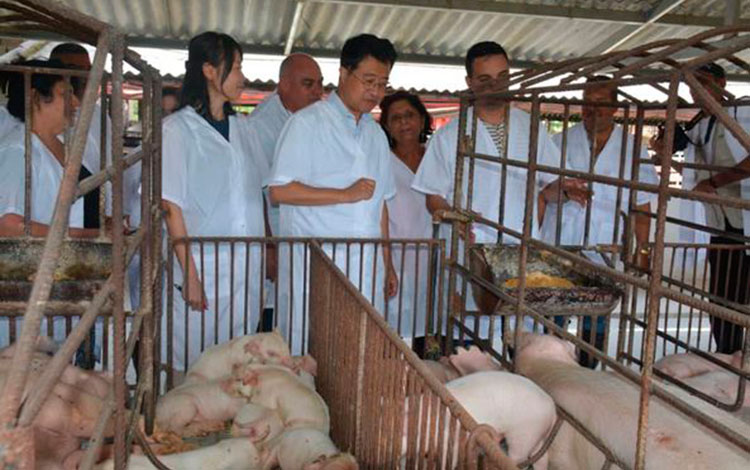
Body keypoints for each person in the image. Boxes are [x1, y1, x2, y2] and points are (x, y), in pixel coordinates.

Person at [411, 41, 560, 338]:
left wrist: (567, 190)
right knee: (472, 340)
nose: (495, 86)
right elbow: (432, 198)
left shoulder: (531, 127)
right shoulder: (450, 135)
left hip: (522, 249)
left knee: (523, 341)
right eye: (484, 80)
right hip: (473, 250)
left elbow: (550, 186)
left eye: (503, 77)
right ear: (470, 83)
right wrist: (456, 217)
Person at [267, 34, 399, 353]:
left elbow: (379, 202)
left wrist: (387, 261)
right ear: (343, 73)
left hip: (365, 268)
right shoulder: (307, 123)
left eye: (382, 84)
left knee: (356, 354)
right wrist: (345, 194)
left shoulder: (375, 134)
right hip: (315, 269)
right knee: (311, 353)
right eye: (368, 80)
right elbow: (280, 191)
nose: (375, 91)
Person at [538, 76, 658, 367]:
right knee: (552, 315)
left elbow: (641, 206)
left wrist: (642, 250)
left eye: (602, 103)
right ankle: (552, 370)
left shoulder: (632, 149)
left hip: (605, 246)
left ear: (615, 107)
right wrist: (565, 191)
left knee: (596, 317)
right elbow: (542, 192)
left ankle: (587, 374)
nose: (593, 109)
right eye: (587, 102)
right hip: (560, 240)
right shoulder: (559, 141)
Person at [161, 32, 265, 370]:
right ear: (208, 70)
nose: (242, 77)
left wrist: (267, 253)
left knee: (238, 361)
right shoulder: (178, 130)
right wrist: (190, 274)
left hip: (245, 263)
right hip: (203, 263)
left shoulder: (245, 129)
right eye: (235, 67)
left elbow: (255, 194)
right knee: (195, 360)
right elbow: (170, 205)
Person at [653, 63, 750, 354]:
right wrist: (664, 152)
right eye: (691, 87)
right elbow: (692, 169)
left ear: (721, 83)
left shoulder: (744, 113)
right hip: (722, 226)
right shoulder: (701, 124)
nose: (696, 93)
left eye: (703, 85)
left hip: (744, 218)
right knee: (722, 296)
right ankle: (727, 356)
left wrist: (714, 181)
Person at [0, 60, 99, 342]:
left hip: (65, 290)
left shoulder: (59, 145)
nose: (77, 102)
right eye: (66, 94)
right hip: (30, 301)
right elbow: (8, 225)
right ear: (35, 98)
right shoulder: (17, 150)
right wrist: (83, 237)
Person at [246, 53, 323, 332]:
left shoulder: (316, 119)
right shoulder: (260, 126)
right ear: (283, 85)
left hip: (304, 238)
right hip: (277, 240)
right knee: (274, 320)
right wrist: (269, 248)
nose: (317, 92)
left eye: (320, 84)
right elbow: (257, 192)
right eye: (308, 84)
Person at [379, 91, 433, 343]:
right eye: (396, 118)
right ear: (387, 127)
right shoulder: (383, 162)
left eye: (409, 115)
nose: (404, 122)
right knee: (396, 331)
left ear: (422, 120)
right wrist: (387, 264)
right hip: (397, 257)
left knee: (431, 331)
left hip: (434, 257)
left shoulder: (436, 157)